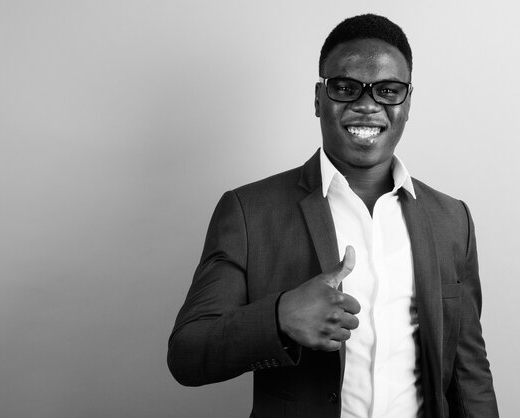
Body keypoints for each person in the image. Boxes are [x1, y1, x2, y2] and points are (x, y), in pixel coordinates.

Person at [167, 14, 498, 418]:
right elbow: (187, 354)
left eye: (388, 91)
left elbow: (469, 376)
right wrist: (281, 316)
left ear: (408, 104)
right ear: (318, 98)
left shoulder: (452, 220)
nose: (366, 105)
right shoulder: (249, 212)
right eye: (345, 88)